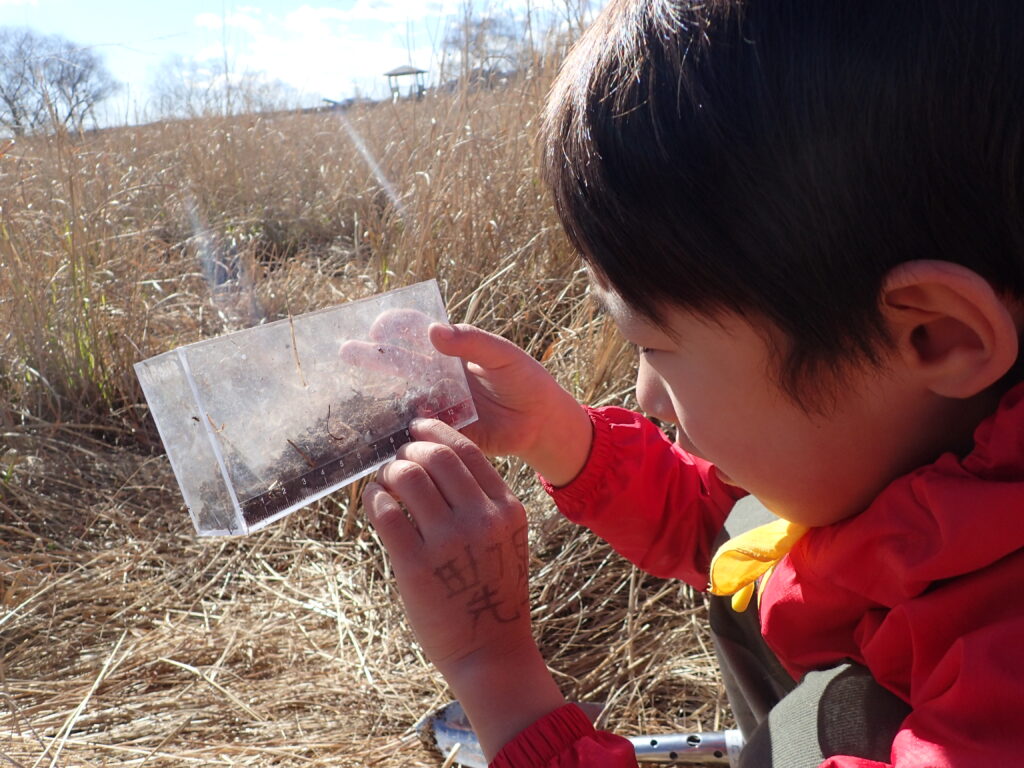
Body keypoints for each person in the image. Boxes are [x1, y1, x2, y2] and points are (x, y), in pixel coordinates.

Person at [358, 1, 1024, 766]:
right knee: (753, 542)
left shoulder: (1002, 692)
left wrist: (494, 673)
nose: (645, 394)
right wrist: (554, 432)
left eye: (655, 345)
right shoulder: (925, 446)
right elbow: (725, 523)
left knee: (829, 718)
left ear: (935, 336)